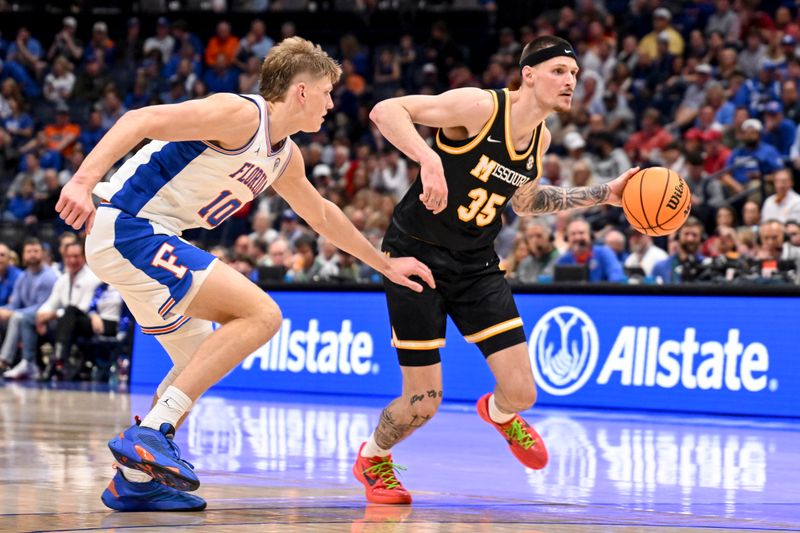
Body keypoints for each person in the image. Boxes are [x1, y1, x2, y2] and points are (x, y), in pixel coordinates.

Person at [56, 37, 433, 513]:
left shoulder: (285, 154)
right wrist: (83, 180)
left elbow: (321, 213)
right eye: (326, 92)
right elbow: (140, 119)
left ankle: (134, 479)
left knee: (196, 363)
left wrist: (385, 264)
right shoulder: (239, 115)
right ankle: (151, 433)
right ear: (300, 91)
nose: (332, 103)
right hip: (129, 226)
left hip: (147, 239)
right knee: (262, 313)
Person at [352, 35, 638, 504]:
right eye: (560, 72)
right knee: (424, 404)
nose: (571, 82)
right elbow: (386, 110)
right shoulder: (479, 107)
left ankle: (500, 415)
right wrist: (428, 158)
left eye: (575, 75)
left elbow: (524, 202)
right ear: (529, 74)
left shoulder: (540, 137)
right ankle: (374, 456)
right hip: (415, 256)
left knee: (522, 393)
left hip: (476, 263)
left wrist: (604, 194)